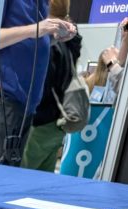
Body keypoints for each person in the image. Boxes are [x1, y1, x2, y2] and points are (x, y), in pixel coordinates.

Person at [0, 0, 76, 166]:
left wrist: (56, 34)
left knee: (9, 176)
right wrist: (37, 29)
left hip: (28, 105)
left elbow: (33, 39)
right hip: (6, 98)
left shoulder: (42, 4)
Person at [22, 0, 82, 172]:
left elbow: (42, 86)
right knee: (40, 181)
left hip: (40, 124)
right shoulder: (69, 42)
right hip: (57, 124)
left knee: (19, 178)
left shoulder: (50, 44)